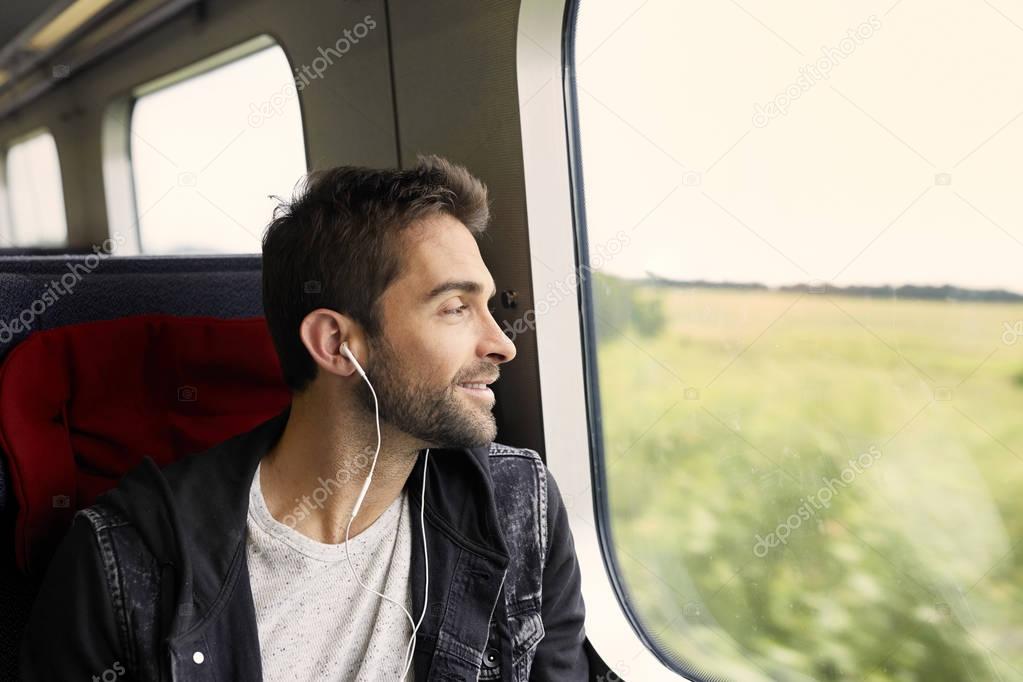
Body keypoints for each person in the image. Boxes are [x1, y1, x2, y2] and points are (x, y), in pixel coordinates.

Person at [20, 155, 589, 681]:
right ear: (336, 343)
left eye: (490, 306)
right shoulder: (123, 560)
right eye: (455, 308)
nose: (502, 345)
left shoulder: (521, 503)